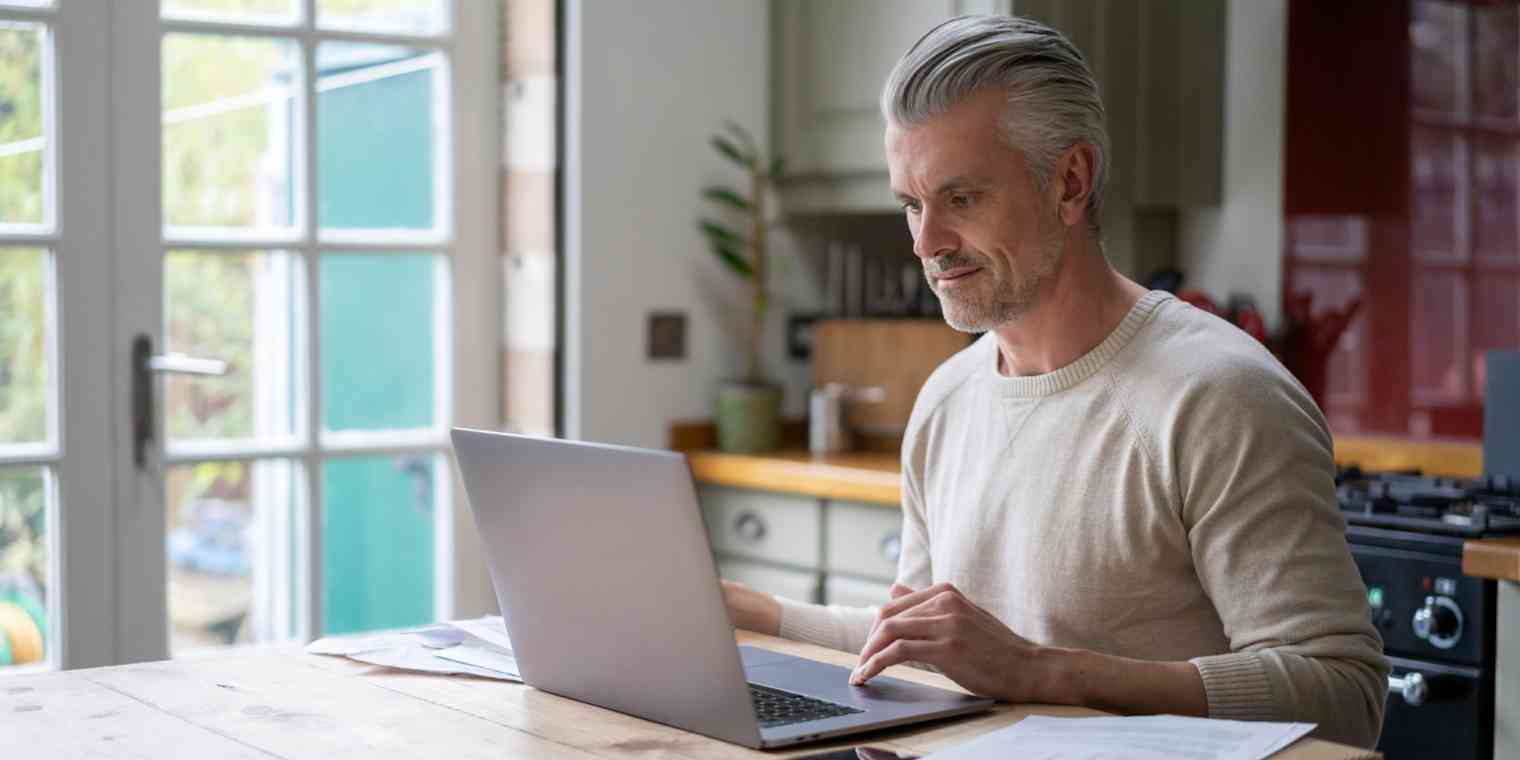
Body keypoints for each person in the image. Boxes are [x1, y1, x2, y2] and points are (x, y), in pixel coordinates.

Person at [722, 14, 1388, 749]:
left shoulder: (1220, 396)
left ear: (1070, 182)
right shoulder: (946, 400)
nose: (926, 242)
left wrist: (1047, 671)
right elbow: (924, 644)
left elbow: (1344, 697)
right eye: (912, 204)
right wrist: (753, 614)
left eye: (961, 199)